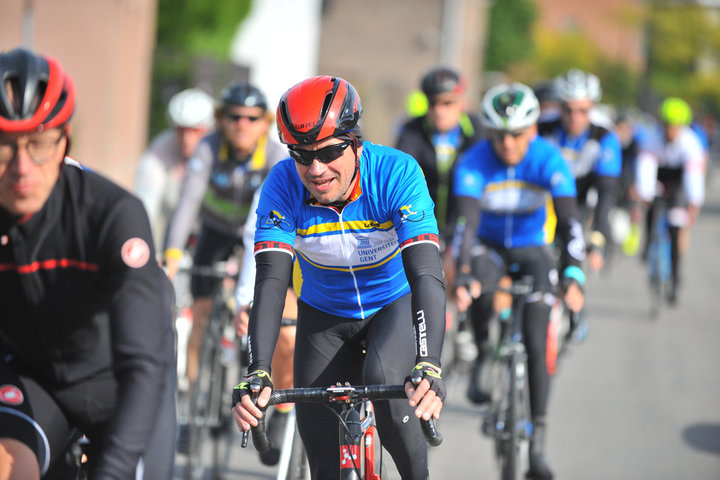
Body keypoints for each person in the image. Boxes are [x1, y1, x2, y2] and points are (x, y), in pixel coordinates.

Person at [232, 75, 447, 480]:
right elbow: (272, 282)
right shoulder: (281, 184)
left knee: (385, 383)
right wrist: (258, 368)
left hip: (392, 307)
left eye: (330, 152)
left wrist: (429, 364)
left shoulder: (396, 174)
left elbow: (425, 275)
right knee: (324, 468)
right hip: (324, 315)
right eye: (301, 154)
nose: (316, 169)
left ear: (356, 142)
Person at [0, 47, 176, 480]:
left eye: (39, 144)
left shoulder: (112, 214)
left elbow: (142, 362)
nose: (22, 168)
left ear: (65, 142)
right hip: (36, 381)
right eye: (3, 147)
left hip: (123, 383)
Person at [453, 82, 586, 480]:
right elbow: (465, 227)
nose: (508, 143)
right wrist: (461, 273)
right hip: (490, 247)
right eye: (498, 135)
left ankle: (537, 446)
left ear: (533, 130)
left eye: (517, 134)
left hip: (531, 248)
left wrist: (574, 273)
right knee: (479, 278)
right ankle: (480, 351)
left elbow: (569, 223)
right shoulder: (473, 161)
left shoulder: (550, 159)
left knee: (535, 333)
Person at [162, 81, 287, 388]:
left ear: (265, 123)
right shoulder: (208, 146)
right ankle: (193, 398)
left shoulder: (274, 154)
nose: (242, 124)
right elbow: (189, 200)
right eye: (234, 117)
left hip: (252, 233)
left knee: (252, 293)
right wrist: (172, 255)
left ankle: (245, 345)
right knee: (201, 315)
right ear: (221, 120)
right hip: (215, 229)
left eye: (252, 118)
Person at [232, 185, 298, 466]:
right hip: (292, 266)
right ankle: (284, 408)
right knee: (288, 333)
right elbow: (254, 244)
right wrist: (246, 301)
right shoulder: (278, 182)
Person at [538, 68, 622, 273]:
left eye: (583, 111)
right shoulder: (542, 126)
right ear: (559, 107)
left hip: (582, 193)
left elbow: (606, 192)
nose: (574, 117)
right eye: (568, 110)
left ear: (593, 108)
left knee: (572, 254)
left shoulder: (605, 137)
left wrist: (598, 239)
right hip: (547, 193)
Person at [395, 66, 483, 238]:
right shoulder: (412, 130)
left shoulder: (477, 129)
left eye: (447, 103)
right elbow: (401, 173)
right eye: (432, 103)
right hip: (422, 224)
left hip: (466, 225)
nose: (439, 111)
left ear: (462, 102)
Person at [636, 97, 705, 305]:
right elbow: (645, 168)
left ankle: (674, 278)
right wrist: (644, 193)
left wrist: (694, 202)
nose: (670, 131)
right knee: (651, 206)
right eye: (666, 126)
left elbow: (693, 176)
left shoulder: (691, 143)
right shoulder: (651, 138)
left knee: (675, 228)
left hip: (679, 183)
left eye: (674, 127)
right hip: (659, 176)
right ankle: (648, 244)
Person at [134, 87, 215, 253]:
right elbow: (146, 204)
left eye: (196, 131)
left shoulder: (219, 148)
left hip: (213, 229)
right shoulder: (159, 149)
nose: (187, 139)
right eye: (181, 130)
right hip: (173, 226)